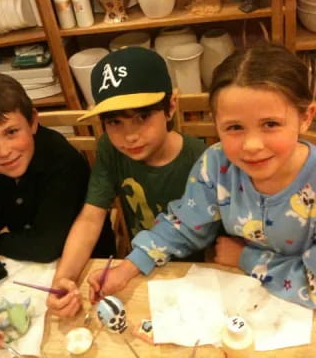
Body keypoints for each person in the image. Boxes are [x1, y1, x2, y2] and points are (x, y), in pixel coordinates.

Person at [87, 43, 316, 309]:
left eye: (271, 124)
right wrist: (126, 268)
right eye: (234, 127)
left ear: (305, 117)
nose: (252, 145)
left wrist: (244, 257)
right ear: (215, 123)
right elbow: (184, 225)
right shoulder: (216, 164)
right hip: (239, 299)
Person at [0, 71, 113, 349]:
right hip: (29, 267)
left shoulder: (62, 159)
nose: (3, 151)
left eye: (11, 132)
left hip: (86, 263)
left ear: (33, 121)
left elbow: (47, 245)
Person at [47, 47, 207, 318]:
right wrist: (63, 278)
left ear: (170, 106)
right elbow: (90, 217)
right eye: (115, 122)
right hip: (135, 269)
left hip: (194, 275)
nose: (129, 136)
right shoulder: (110, 149)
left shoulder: (201, 160)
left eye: (142, 117)